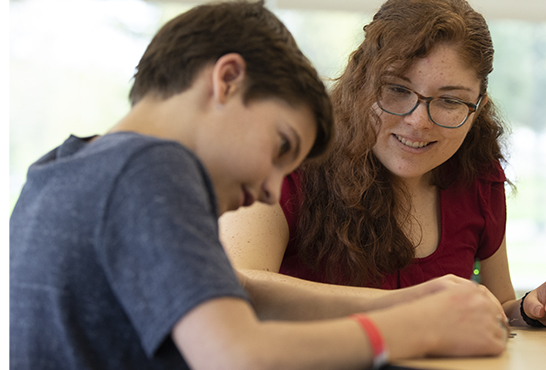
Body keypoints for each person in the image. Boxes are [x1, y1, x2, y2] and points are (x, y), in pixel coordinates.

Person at [10, 2, 509, 369]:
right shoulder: (149, 168)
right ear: (227, 81)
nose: (272, 190)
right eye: (280, 146)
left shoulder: (62, 168)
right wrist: (414, 328)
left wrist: (410, 303)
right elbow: (235, 355)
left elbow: (239, 290)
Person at [220, 0, 546, 329]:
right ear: (361, 81)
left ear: (478, 106)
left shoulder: (479, 176)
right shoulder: (291, 160)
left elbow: (495, 305)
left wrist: (531, 310)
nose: (419, 121)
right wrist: (411, 305)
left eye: (450, 101)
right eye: (397, 90)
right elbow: (236, 287)